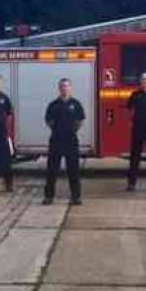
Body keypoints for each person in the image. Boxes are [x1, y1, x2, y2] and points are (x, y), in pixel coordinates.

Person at [43, 78, 84, 206]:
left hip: (71, 141)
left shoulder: (76, 104)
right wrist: (58, 130)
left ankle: (76, 197)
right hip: (56, 140)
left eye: (66, 86)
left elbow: (80, 121)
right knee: (52, 170)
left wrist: (71, 130)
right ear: (59, 88)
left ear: (70, 88)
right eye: (62, 86)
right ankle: (49, 197)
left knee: (73, 170)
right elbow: (48, 121)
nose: (64, 88)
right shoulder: (53, 104)